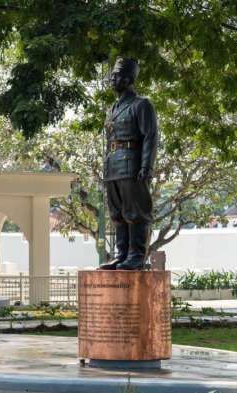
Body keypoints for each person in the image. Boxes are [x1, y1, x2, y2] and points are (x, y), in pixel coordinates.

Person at [99, 58, 159, 271]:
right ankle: (121, 254)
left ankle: (136, 256)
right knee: (117, 214)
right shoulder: (113, 108)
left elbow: (150, 136)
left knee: (136, 212)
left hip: (131, 163)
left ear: (129, 79)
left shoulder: (141, 104)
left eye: (116, 76)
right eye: (112, 76)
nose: (112, 79)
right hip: (112, 166)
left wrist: (146, 166)